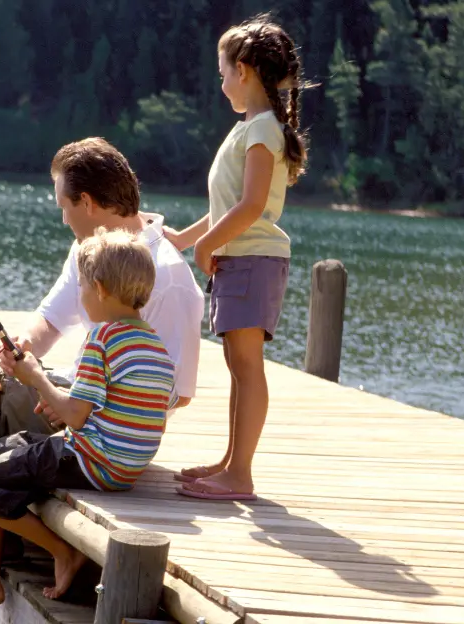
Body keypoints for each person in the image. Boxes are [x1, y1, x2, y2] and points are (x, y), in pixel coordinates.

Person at [0, 138, 205, 580]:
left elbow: (170, 394)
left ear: (89, 202)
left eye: (63, 206)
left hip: (96, 427)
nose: (62, 217)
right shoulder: (94, 251)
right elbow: (50, 319)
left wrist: (64, 397)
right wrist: (19, 351)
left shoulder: (166, 276)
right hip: (78, 393)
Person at [0, 227, 177, 615]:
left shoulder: (102, 339)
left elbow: (74, 416)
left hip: (91, 462)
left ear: (99, 289)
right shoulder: (154, 345)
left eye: (82, 287)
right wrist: (53, 394)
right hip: (125, 468)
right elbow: (114, 409)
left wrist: (34, 377)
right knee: (6, 449)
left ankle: (61, 552)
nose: (81, 295)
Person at [163, 14, 307, 501]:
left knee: (248, 366)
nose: (221, 82)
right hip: (239, 259)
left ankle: (240, 475)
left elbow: (249, 207)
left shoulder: (263, 129)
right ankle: (229, 462)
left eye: (223, 72)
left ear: (243, 70)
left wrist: (206, 246)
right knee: (237, 365)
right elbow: (226, 208)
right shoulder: (252, 127)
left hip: (252, 260)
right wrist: (185, 239)